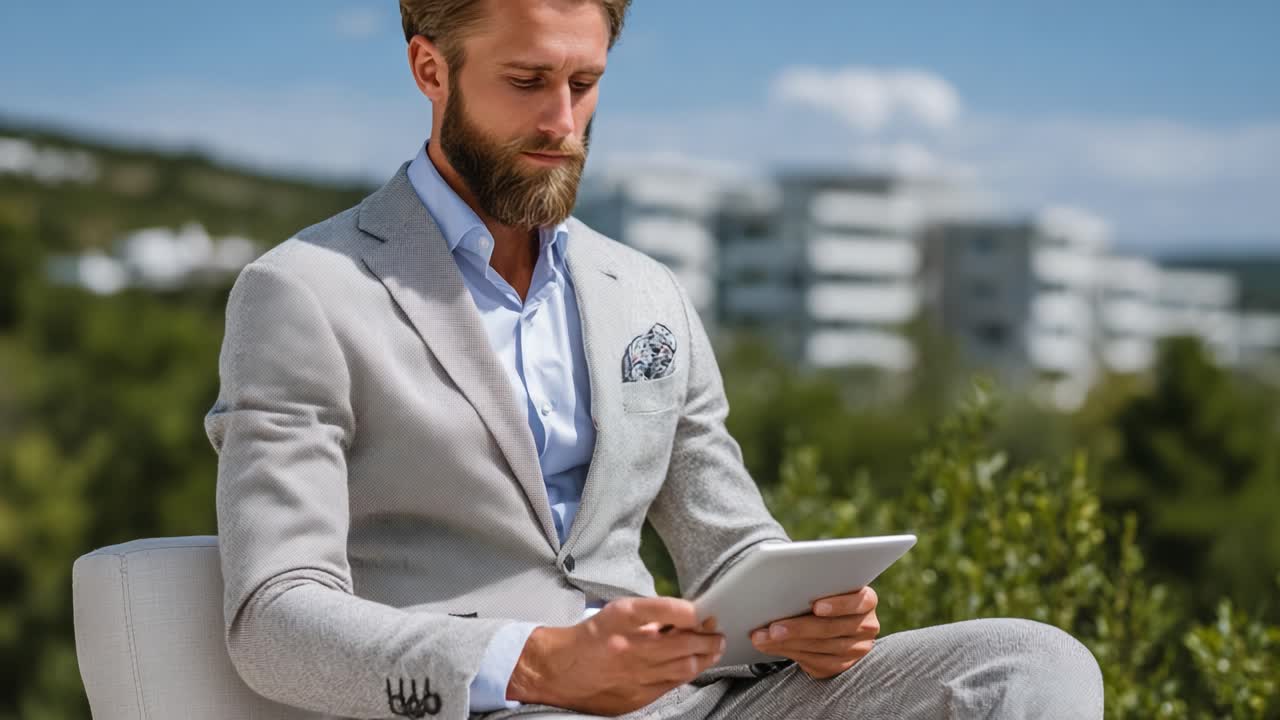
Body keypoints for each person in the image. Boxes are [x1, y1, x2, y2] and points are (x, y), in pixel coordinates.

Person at [204, 1, 1105, 718]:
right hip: (491, 710)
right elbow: (273, 616)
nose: (563, 120)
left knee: (1028, 667)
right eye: (527, 81)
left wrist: (807, 614)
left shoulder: (644, 292)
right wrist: (536, 664)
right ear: (430, 69)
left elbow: (732, 546)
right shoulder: (305, 291)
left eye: (585, 82)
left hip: (693, 702)